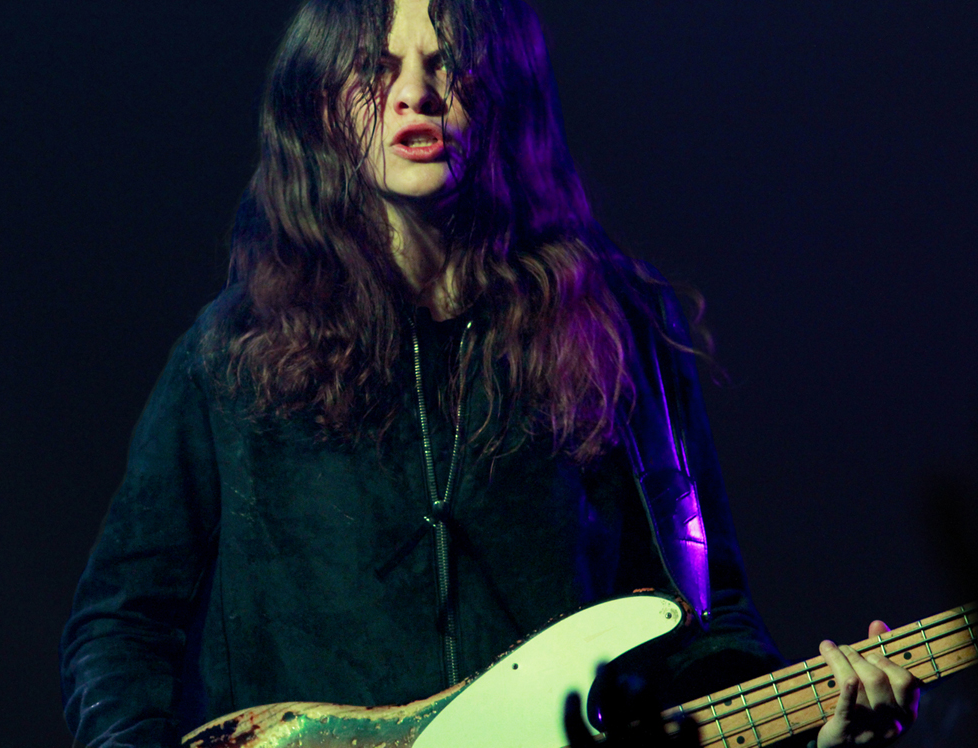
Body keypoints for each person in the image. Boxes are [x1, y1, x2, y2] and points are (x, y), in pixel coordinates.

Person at [59, 1, 920, 746]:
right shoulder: (235, 353)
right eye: (374, 66)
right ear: (321, 100)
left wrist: (820, 729)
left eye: (450, 63)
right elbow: (120, 626)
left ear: (505, 88)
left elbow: (708, 623)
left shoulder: (617, 332)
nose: (414, 93)